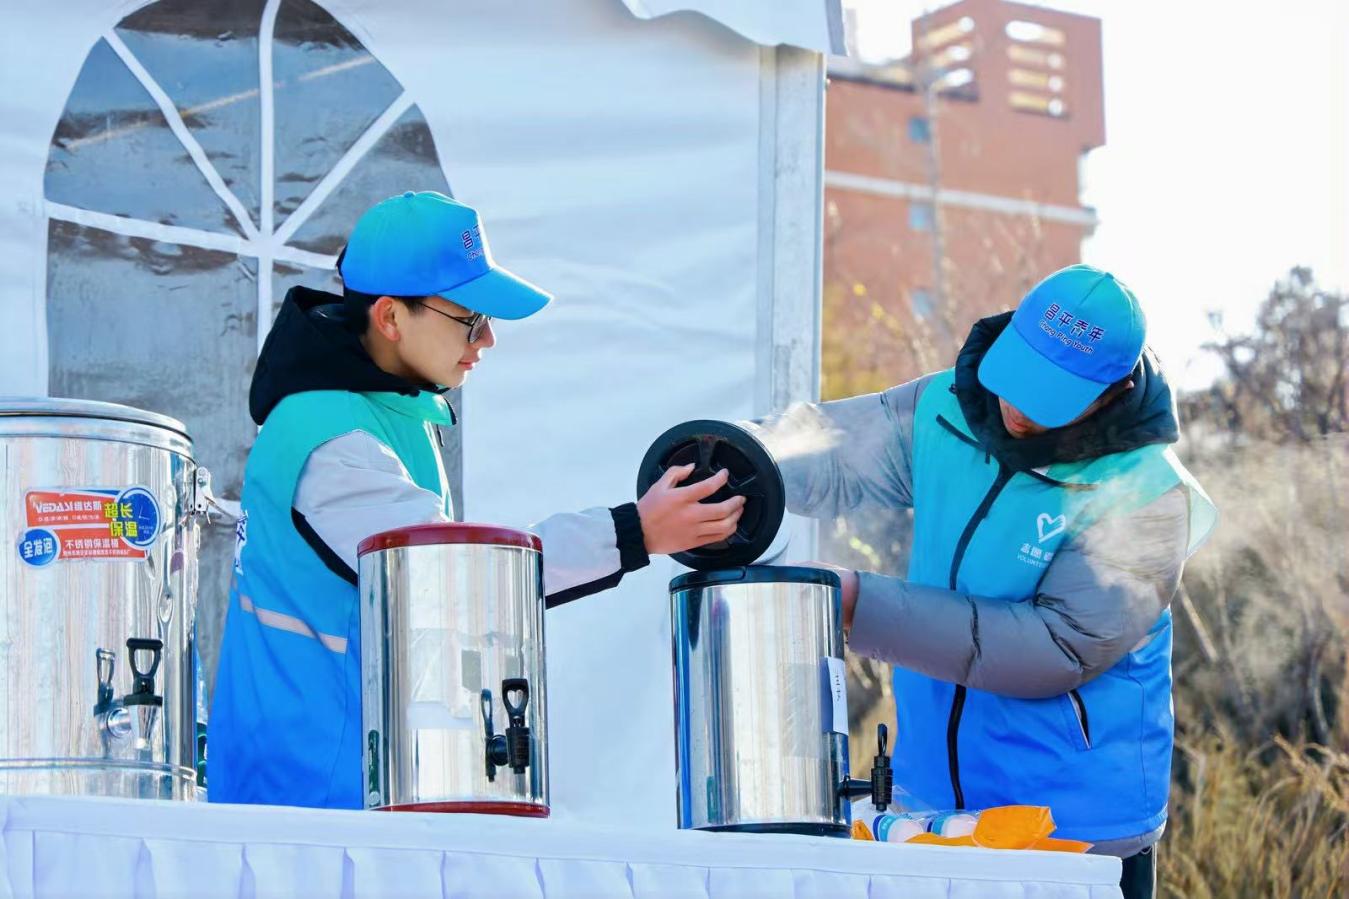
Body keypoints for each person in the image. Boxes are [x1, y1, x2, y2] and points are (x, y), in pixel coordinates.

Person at [209, 190, 744, 808]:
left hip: (336, 780)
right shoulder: (332, 442)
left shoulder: (387, 407)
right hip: (307, 796)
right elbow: (463, 574)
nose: (487, 339)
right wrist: (636, 531)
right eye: (470, 318)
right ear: (390, 317)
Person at [747, 265, 1216, 899]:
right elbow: (831, 454)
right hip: (932, 804)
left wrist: (861, 603)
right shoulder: (944, 406)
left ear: (1114, 391)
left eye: (1049, 395)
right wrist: (736, 461)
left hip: (1072, 826)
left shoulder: (1148, 495)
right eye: (1017, 376)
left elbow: (1055, 647)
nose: (1016, 408)